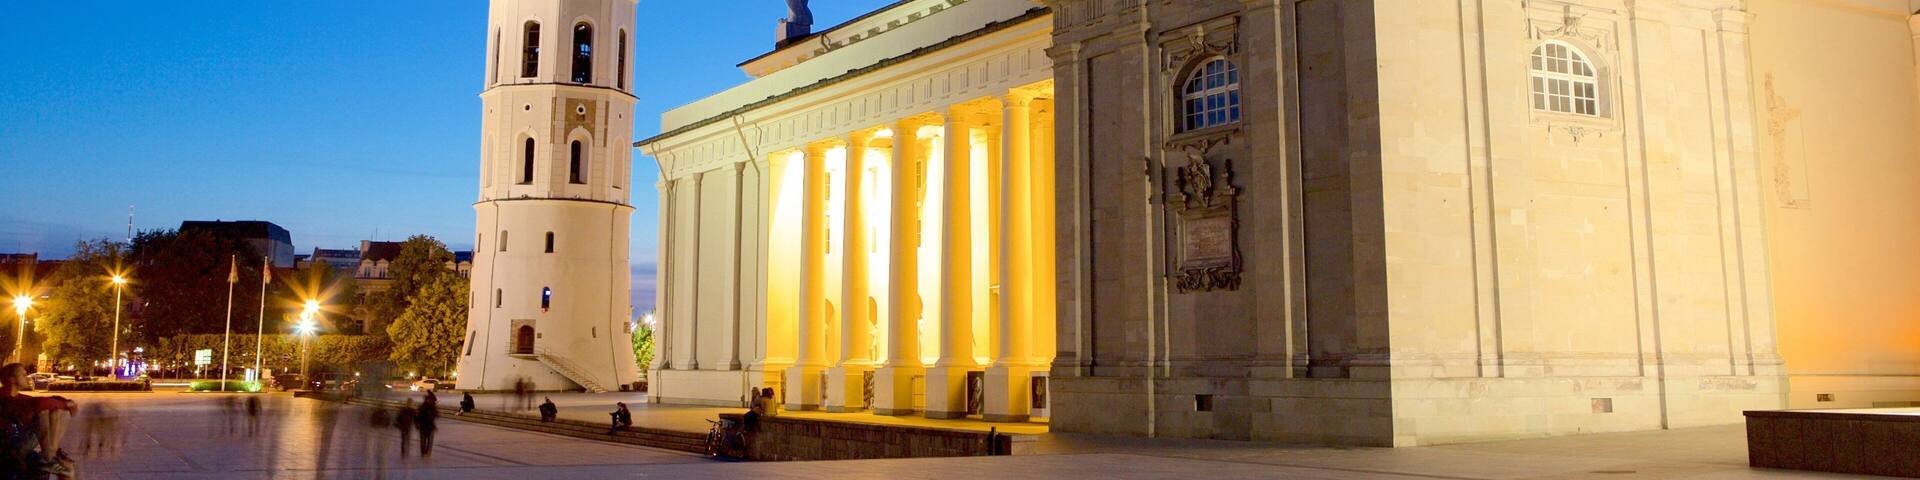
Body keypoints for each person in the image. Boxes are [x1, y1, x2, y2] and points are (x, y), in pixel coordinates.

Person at [1, 363, 75, 478]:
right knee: (44, 411)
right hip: (8, 450)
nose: (28, 378)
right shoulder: (4, 397)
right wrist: (66, 404)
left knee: (57, 411)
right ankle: (48, 457)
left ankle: (50, 455)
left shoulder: (19, 397)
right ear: (12, 379)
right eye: (24, 375)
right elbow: (41, 403)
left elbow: (49, 400)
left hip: (20, 446)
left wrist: (66, 402)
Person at [416, 392, 439, 457]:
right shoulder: (431, 407)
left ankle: (423, 452)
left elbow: (417, 416)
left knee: (424, 440)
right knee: (428, 440)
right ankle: (426, 452)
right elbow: (436, 415)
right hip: (428, 426)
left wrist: (417, 424)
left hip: (424, 426)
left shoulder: (421, 407)